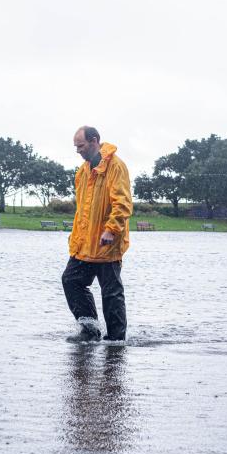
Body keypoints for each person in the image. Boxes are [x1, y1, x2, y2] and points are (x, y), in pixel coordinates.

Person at [61, 126, 133, 342]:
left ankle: (116, 341)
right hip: (84, 245)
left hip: (107, 244)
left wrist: (111, 230)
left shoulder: (116, 166)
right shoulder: (82, 172)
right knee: (70, 280)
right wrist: (76, 239)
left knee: (111, 293)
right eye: (76, 147)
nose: (78, 151)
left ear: (94, 141)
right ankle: (90, 330)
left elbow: (123, 203)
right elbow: (82, 210)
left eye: (80, 146)